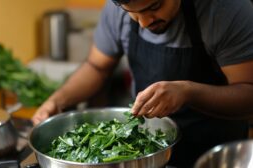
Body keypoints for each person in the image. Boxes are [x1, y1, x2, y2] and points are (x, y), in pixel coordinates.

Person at [32, 0, 253, 167]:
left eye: (154, 6)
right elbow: (97, 67)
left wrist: (188, 92)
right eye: (133, 13)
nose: (145, 22)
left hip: (212, 153)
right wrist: (56, 100)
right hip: (149, 153)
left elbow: (248, 95)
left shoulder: (226, 10)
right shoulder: (116, 9)